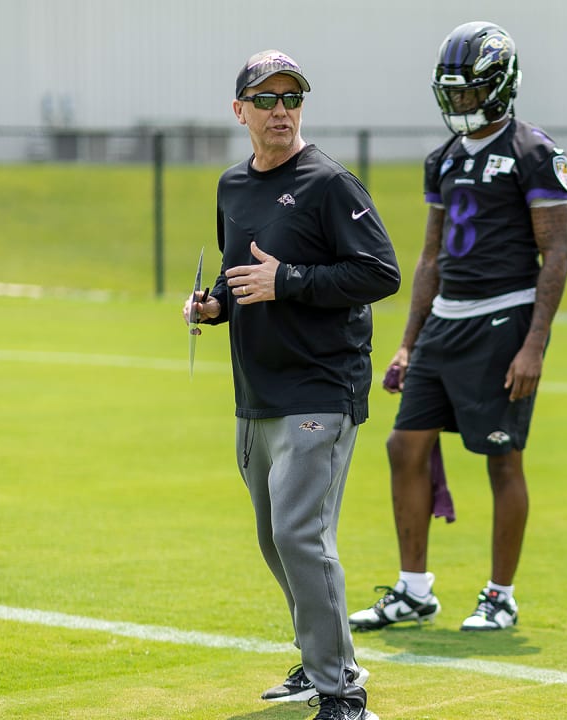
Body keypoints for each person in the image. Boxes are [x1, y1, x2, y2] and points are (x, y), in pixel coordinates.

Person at [185, 49, 400, 720]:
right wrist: (214, 304)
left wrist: (291, 281)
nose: (281, 110)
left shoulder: (332, 184)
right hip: (257, 394)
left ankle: (344, 691)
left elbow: (380, 273)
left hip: (320, 389)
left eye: (292, 97)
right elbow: (236, 271)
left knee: (302, 535)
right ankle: (319, 662)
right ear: (240, 110)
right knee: (275, 539)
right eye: (267, 97)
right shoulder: (232, 186)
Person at [347, 21, 567, 633]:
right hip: (445, 323)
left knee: (502, 460)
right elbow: (429, 258)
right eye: (454, 93)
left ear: (499, 87)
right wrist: (406, 344)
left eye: (470, 92)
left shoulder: (534, 152)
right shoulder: (442, 158)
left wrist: (534, 345)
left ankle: (501, 594)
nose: (461, 104)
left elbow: (556, 253)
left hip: (504, 318)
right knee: (404, 446)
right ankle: (414, 589)